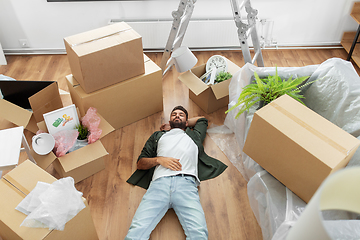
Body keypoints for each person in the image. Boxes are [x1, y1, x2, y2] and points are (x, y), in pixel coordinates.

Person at [125, 106, 227, 240]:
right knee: (137, 231)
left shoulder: (194, 135)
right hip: (159, 185)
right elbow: (140, 163)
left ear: (186, 122)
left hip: (187, 186)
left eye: (181, 115)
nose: (177, 116)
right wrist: (159, 160)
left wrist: (183, 123)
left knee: (199, 233)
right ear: (169, 119)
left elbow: (202, 120)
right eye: (174, 114)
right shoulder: (158, 136)